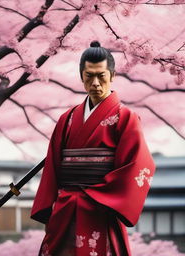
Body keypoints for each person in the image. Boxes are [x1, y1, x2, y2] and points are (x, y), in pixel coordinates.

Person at [31, 41, 156, 256]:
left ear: (113, 75)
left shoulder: (125, 118)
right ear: (81, 76)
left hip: (101, 208)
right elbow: (53, 166)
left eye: (101, 76)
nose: (95, 83)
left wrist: (100, 196)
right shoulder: (67, 119)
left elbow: (137, 165)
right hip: (65, 208)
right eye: (89, 76)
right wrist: (49, 206)